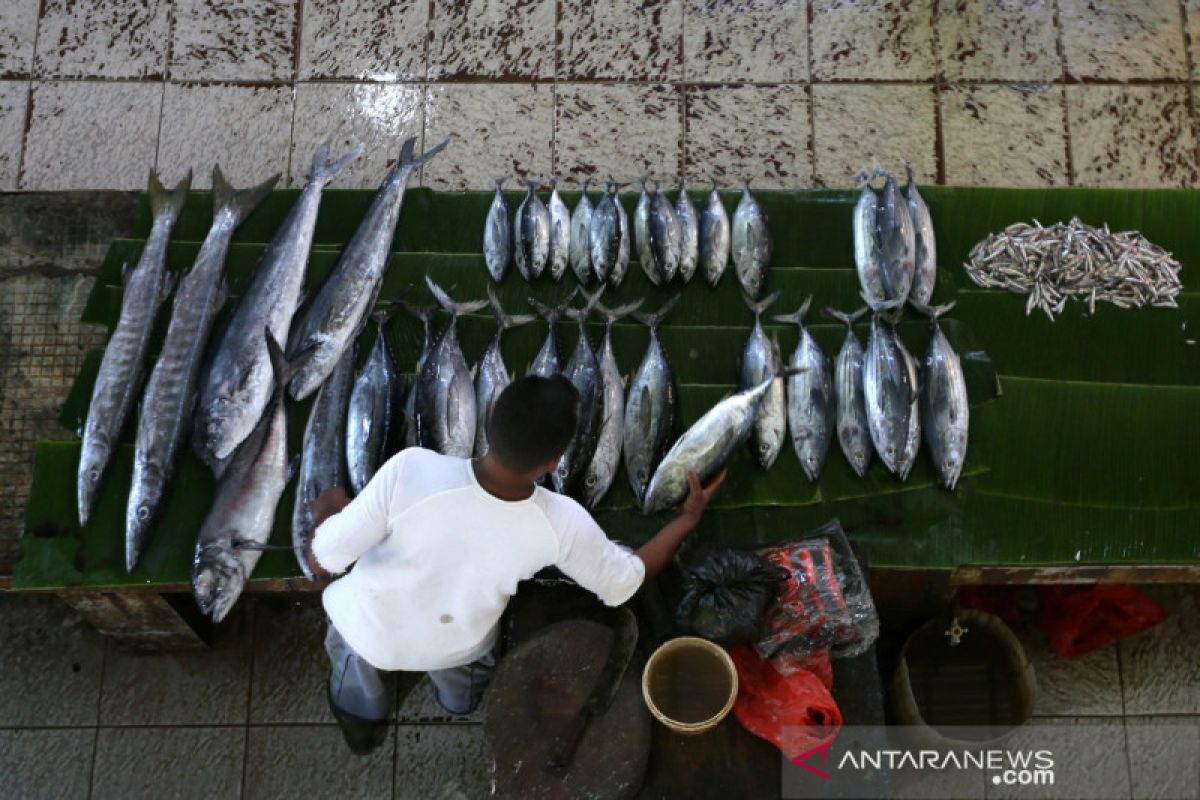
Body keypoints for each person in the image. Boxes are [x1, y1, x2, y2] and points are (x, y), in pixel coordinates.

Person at [306, 374, 726, 754]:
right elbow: (623, 584)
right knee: (463, 681)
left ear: (489, 414)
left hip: (362, 630)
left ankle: (361, 722)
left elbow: (323, 560)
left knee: (353, 667)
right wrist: (687, 518)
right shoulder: (561, 522)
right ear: (555, 461)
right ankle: (459, 704)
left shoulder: (409, 469)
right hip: (458, 645)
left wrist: (329, 511)